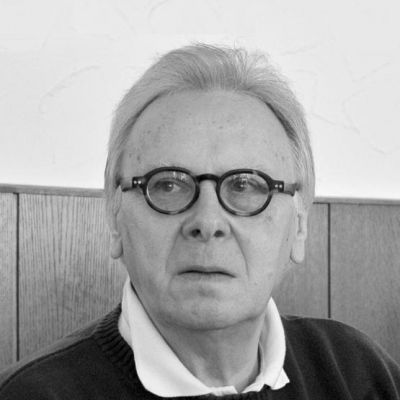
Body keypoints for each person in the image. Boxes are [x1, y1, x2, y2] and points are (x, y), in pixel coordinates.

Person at [1, 43, 399, 399]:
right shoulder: (32, 393)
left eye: (245, 185)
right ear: (114, 216)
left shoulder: (359, 374)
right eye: (168, 185)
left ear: (299, 226)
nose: (208, 222)